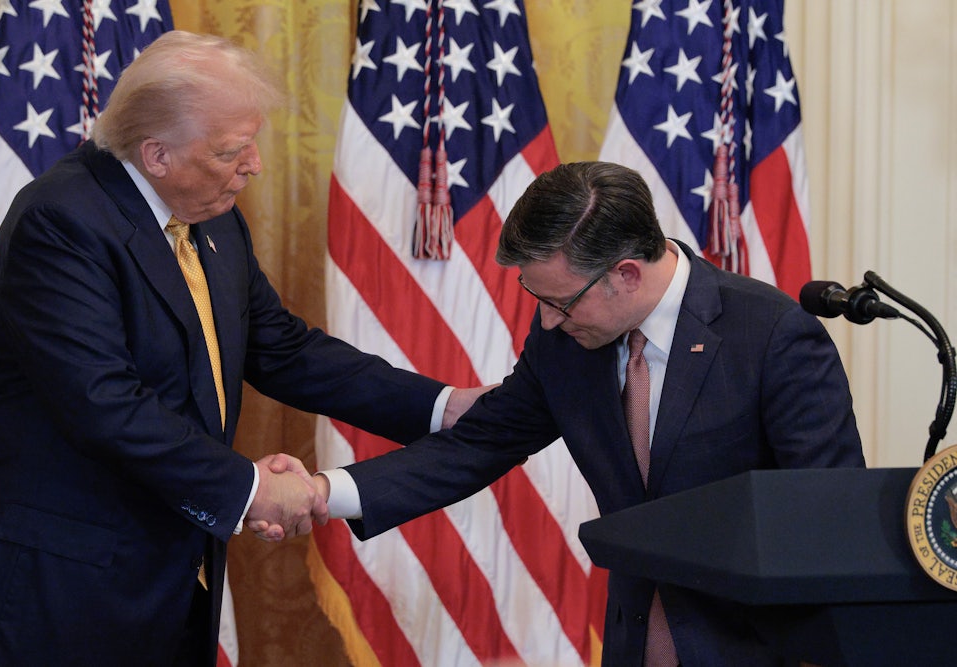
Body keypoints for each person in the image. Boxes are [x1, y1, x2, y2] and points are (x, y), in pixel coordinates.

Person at [0, 31, 484, 666]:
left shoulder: (209, 215)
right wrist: (251, 488)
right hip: (61, 587)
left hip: (173, 573)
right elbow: (104, 405)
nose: (255, 164)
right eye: (232, 149)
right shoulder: (60, 222)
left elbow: (281, 348)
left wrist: (440, 406)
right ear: (156, 155)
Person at [293, 162, 866, 665]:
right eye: (535, 297)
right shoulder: (567, 341)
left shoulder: (770, 334)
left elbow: (827, 515)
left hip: (756, 649)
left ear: (627, 274)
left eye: (561, 302)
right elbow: (477, 444)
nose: (545, 322)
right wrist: (323, 491)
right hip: (632, 643)